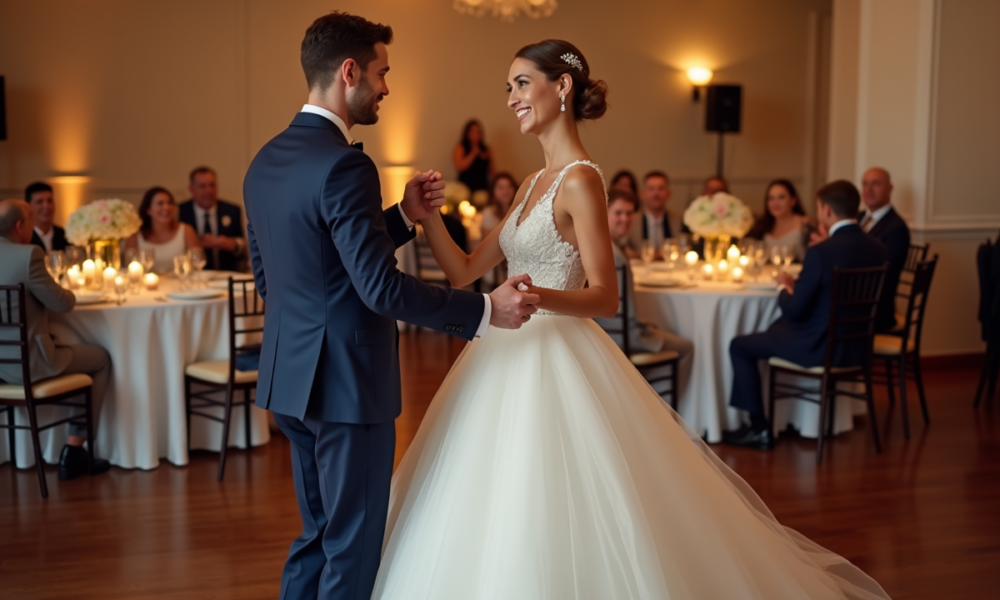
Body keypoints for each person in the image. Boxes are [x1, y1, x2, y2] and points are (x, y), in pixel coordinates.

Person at [371, 41, 890, 599]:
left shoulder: (581, 180)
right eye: (508, 87)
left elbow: (605, 297)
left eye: (522, 83)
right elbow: (464, 271)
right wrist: (427, 217)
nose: (512, 98)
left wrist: (532, 296)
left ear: (561, 86)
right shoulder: (528, 184)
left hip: (556, 348)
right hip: (502, 349)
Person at [241, 12, 536, 600]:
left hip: (290, 379)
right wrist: (483, 310)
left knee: (317, 536)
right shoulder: (346, 164)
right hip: (347, 387)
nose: (386, 88)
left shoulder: (264, 161)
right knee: (352, 547)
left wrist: (402, 216)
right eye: (382, 73)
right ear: (349, 72)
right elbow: (379, 288)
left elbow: (281, 277)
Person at [725, 180, 889, 451]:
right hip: (857, 346)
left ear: (826, 210)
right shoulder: (878, 248)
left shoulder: (822, 252)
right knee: (775, 329)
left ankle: (758, 428)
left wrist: (784, 287)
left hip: (819, 346)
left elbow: (794, 310)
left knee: (740, 345)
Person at [0, 199, 112, 480]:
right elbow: (62, 303)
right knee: (101, 359)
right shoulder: (28, 255)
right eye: (30, 218)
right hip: (28, 364)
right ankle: (74, 450)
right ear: (20, 225)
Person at [595, 188, 694, 379]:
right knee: (686, 347)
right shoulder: (615, 256)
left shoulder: (606, 245)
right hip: (623, 336)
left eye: (629, 213)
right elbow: (623, 313)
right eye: (618, 213)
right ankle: (658, 395)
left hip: (607, 332)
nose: (625, 219)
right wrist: (646, 328)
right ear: (604, 213)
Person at [859, 167, 910, 331]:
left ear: (889, 188)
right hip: (855, 300)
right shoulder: (858, 218)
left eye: (876, 184)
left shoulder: (896, 228)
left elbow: (886, 275)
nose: (869, 190)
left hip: (875, 311)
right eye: (865, 184)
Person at [178, 167, 246, 271]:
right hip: (194, 274)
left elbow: (243, 245)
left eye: (212, 185)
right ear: (191, 189)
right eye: (202, 186)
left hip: (227, 273)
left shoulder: (232, 210)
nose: (208, 191)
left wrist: (231, 244)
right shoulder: (180, 211)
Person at [125, 187, 200, 274]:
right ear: (148, 210)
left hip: (181, 281)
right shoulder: (135, 235)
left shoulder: (186, 230)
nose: (166, 207)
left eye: (169, 203)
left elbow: (197, 263)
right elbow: (130, 268)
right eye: (160, 203)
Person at [623, 170, 686, 258]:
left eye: (661, 189)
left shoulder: (679, 220)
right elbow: (623, 248)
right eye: (651, 189)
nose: (656, 194)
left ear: (669, 194)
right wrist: (646, 255)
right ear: (642, 194)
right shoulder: (630, 220)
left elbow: (685, 246)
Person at [745, 179, 812, 262]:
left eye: (781, 197)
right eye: (771, 198)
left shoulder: (805, 224)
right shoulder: (762, 226)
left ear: (793, 200)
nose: (775, 203)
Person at [25, 182, 69, 253]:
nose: (46, 206)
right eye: (39, 202)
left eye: (49, 201)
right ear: (28, 206)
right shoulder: (25, 239)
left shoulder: (65, 235)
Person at [452, 119, 493, 193]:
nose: (476, 135)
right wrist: (473, 154)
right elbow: (459, 167)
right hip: (464, 187)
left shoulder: (486, 149)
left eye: (478, 132)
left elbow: (492, 171)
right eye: (473, 132)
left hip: (482, 188)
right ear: (467, 133)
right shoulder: (460, 147)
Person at [480, 172, 518, 238]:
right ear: (493, 191)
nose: (505, 191)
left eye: (509, 187)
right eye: (501, 188)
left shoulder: (520, 209)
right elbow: (487, 239)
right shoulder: (489, 212)